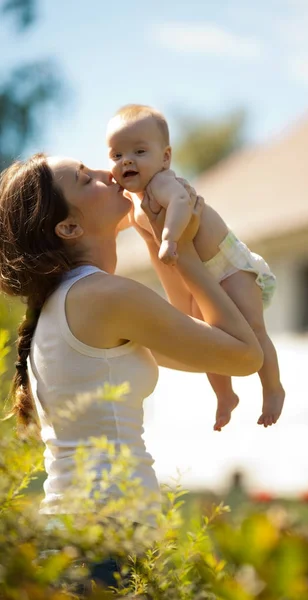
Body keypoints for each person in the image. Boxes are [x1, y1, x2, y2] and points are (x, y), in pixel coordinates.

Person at [0, 153, 263, 591]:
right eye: (87, 180)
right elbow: (243, 354)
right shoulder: (102, 296)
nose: (109, 173)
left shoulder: (75, 300)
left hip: (86, 540)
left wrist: (158, 238)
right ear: (69, 228)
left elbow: (185, 326)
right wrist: (191, 255)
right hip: (105, 547)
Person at [107, 104, 285, 431]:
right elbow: (117, 223)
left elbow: (180, 205)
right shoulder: (135, 202)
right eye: (116, 155)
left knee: (253, 330)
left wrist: (171, 239)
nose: (126, 161)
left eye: (139, 151)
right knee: (209, 340)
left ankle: (273, 388)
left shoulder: (162, 184)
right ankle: (225, 394)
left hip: (229, 265)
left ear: (165, 157)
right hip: (202, 275)